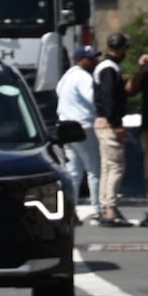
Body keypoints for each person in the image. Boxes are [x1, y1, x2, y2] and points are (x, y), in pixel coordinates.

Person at [52, 39, 102, 221]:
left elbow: (58, 93)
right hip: (84, 126)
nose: (94, 61)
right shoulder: (83, 77)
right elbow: (93, 98)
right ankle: (97, 209)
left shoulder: (66, 77)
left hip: (66, 127)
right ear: (81, 59)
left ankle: (70, 210)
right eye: (90, 59)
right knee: (93, 170)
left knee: (73, 172)